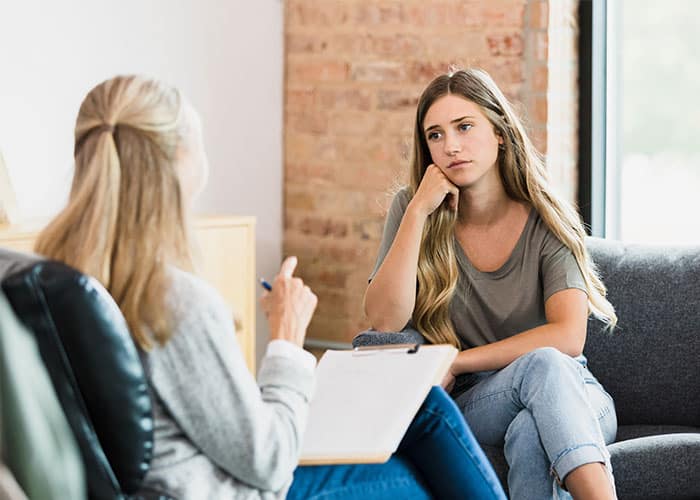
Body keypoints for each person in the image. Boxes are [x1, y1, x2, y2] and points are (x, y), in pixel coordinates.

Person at [34, 75, 506, 499]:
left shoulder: (52, 280)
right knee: (421, 464)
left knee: (423, 407)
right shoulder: (171, 302)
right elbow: (268, 461)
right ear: (179, 162)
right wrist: (286, 339)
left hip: (182, 478)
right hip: (230, 489)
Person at [364, 68, 619, 500]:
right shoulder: (412, 209)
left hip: (576, 394)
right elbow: (383, 320)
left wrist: (455, 361)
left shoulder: (545, 216)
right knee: (540, 371)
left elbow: (568, 337)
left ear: (499, 131)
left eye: (464, 127)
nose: (451, 146)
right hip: (481, 401)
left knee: (531, 421)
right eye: (436, 136)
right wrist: (417, 214)